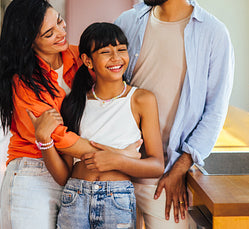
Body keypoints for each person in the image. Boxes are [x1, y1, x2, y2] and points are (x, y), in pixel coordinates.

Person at [114, 0, 235, 228]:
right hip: (119, 167)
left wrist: (180, 169)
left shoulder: (213, 34)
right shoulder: (127, 23)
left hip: (166, 175)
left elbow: (214, 110)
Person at [0, 0, 141, 228]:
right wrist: (119, 156)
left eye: (60, 22)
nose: (61, 33)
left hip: (74, 175)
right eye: (49, 33)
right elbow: (59, 137)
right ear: (29, 42)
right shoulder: (23, 82)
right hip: (33, 174)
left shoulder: (78, 56)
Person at [33, 22, 164, 229]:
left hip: (117, 200)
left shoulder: (142, 99)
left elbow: (157, 166)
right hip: (75, 197)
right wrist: (44, 141)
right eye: (106, 52)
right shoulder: (73, 103)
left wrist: (116, 161)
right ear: (87, 60)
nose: (116, 58)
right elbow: (63, 176)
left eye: (121, 50)